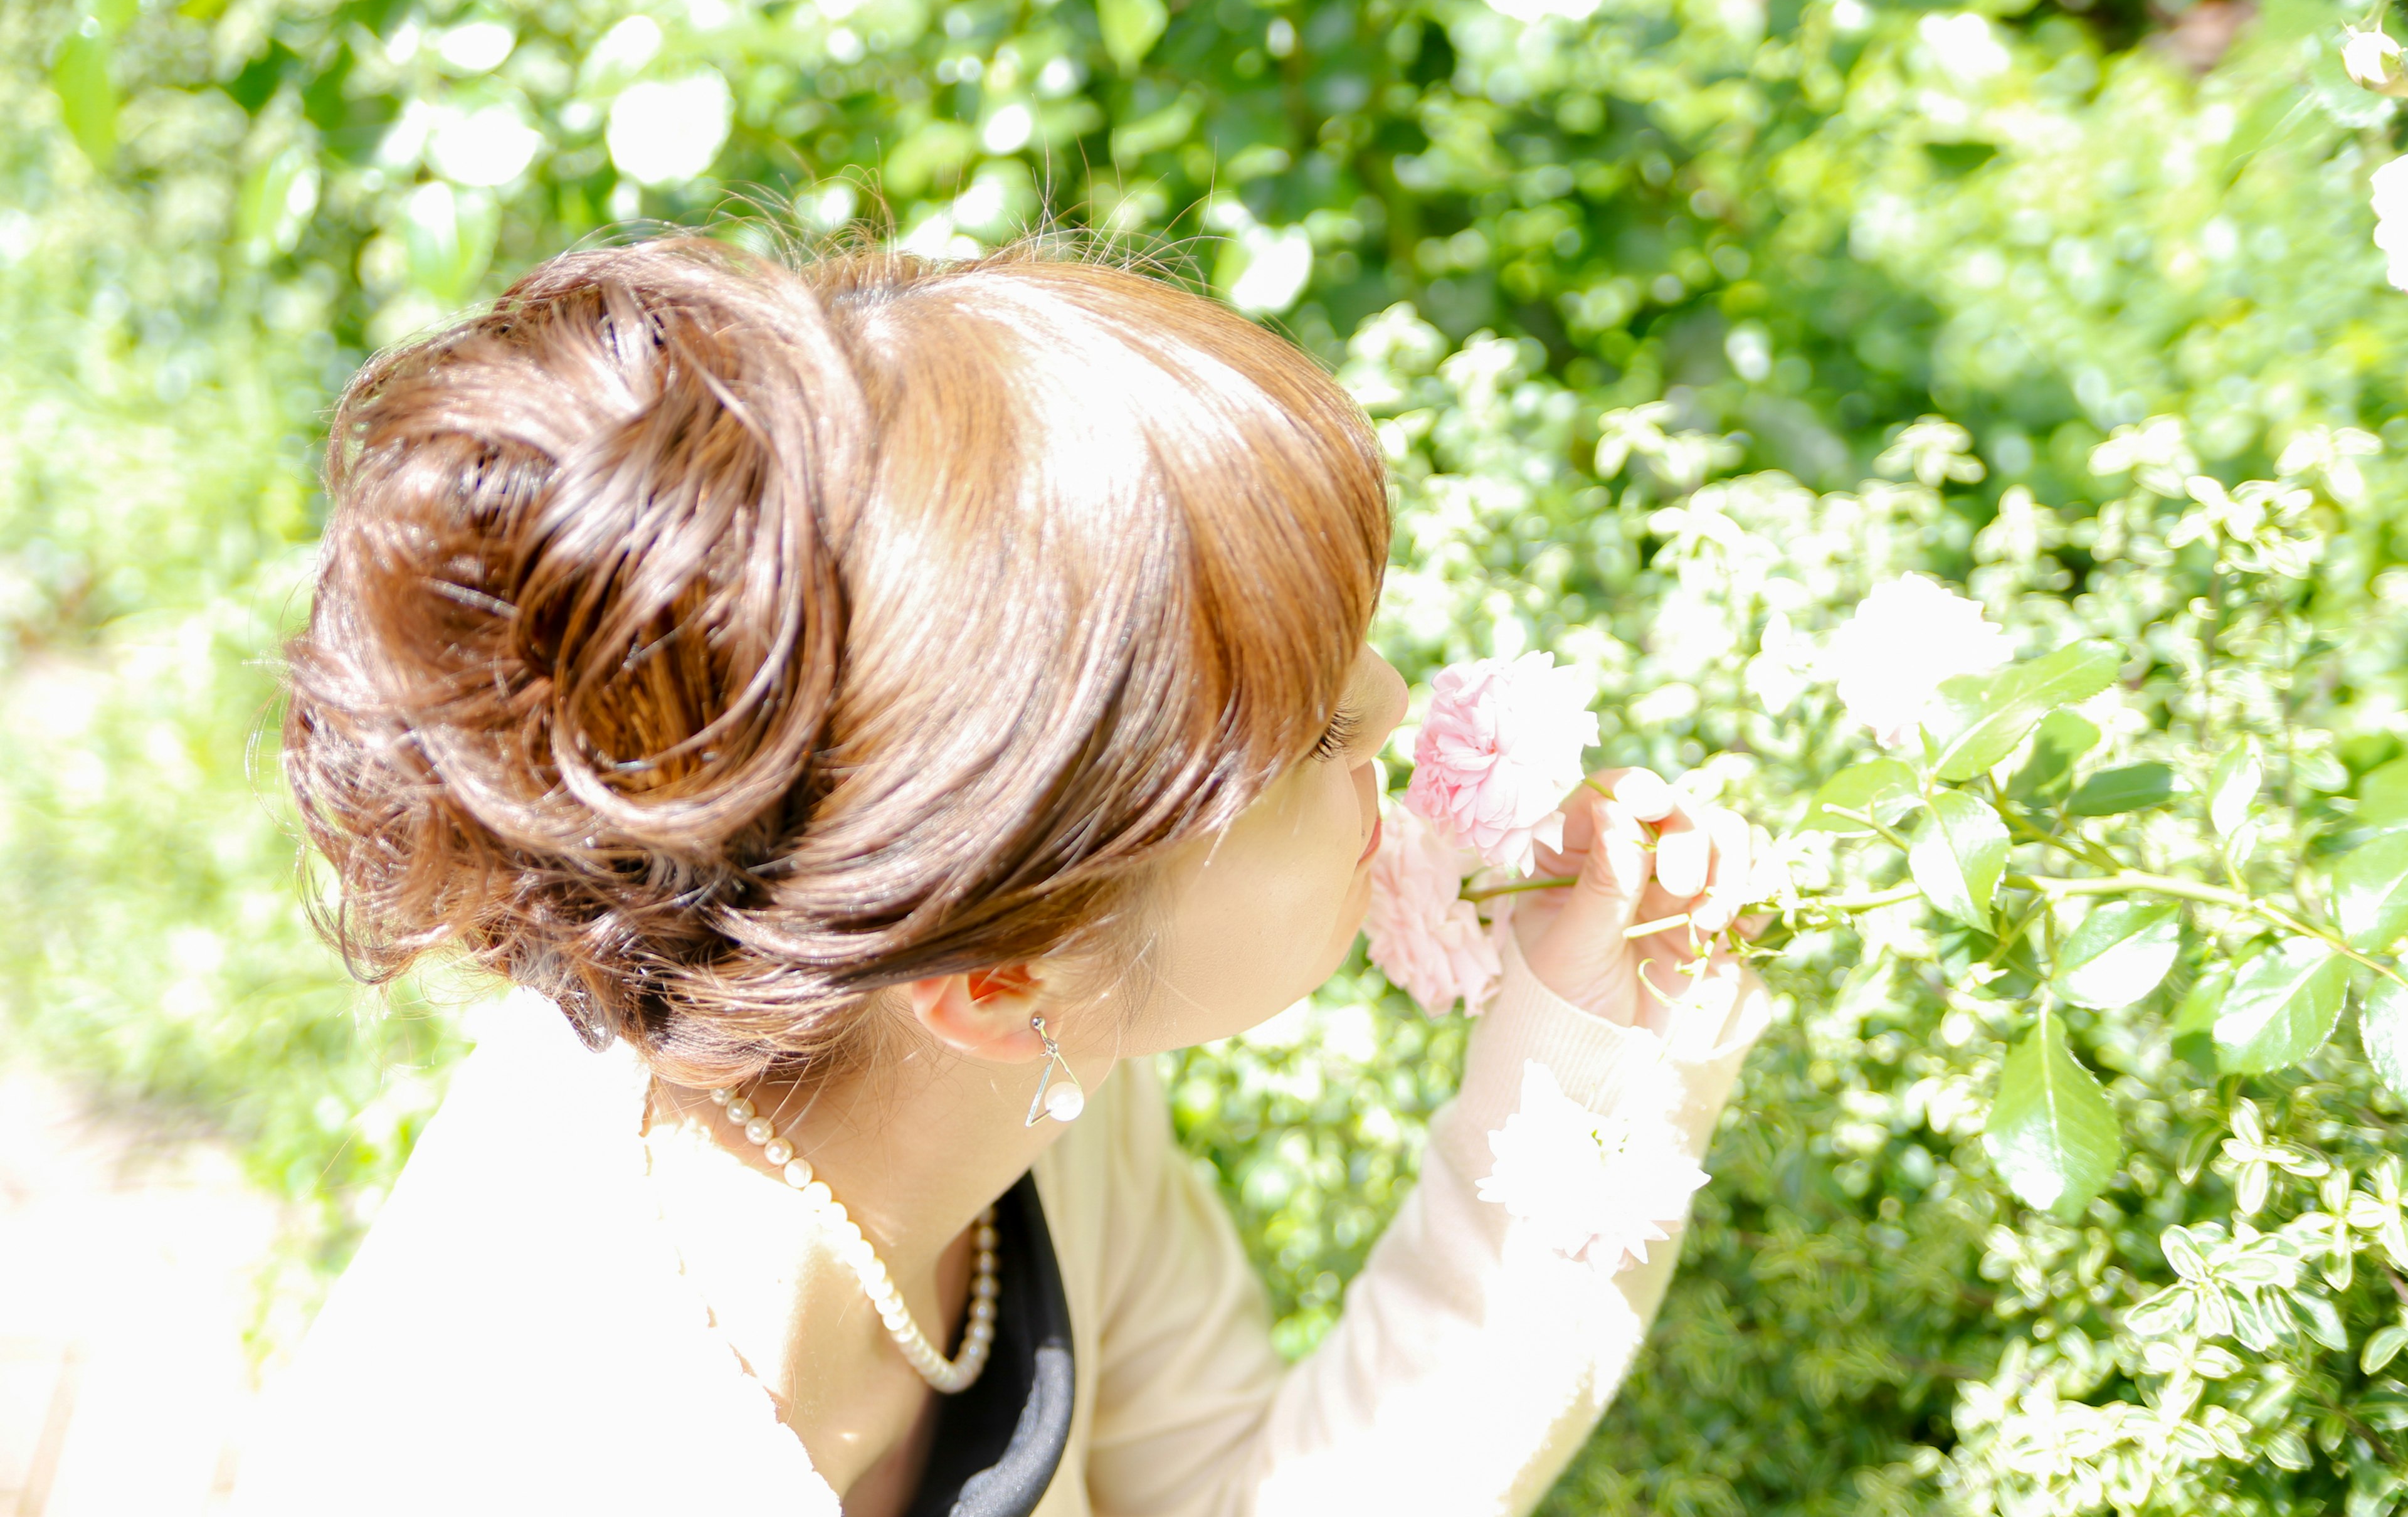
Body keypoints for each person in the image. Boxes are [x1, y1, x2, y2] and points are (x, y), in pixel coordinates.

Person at [233, 238, 1769, 1517]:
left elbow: (1250, 1491)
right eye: (1306, 732)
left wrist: (1584, 1057)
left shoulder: (989, 1062)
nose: (1389, 706)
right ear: (995, 976)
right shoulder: (567, 1453)